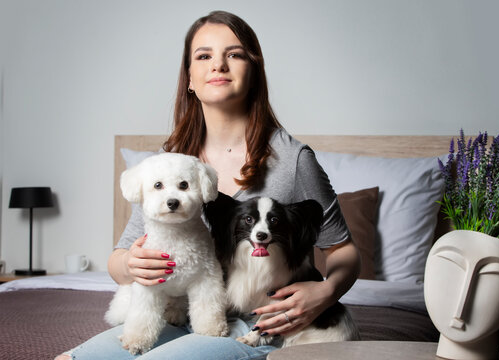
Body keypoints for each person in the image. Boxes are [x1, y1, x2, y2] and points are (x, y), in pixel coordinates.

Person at [56, 10, 360, 360]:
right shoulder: (170, 163)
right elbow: (120, 258)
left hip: (257, 325)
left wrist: (326, 293)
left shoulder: (292, 160)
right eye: (204, 56)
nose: (218, 65)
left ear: (254, 71)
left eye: (234, 54)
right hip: (178, 314)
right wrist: (130, 265)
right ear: (189, 77)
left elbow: (343, 251)